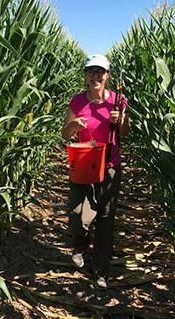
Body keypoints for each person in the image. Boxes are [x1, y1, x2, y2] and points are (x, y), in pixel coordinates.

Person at [62, 54, 129, 290]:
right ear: (85, 75)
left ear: (108, 76)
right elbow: (65, 134)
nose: (95, 75)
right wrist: (74, 124)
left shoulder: (118, 100)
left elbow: (125, 132)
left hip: (109, 167)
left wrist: (120, 119)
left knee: (105, 219)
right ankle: (80, 245)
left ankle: (101, 270)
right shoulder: (78, 101)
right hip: (83, 165)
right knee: (77, 214)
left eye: (100, 71)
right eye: (91, 71)